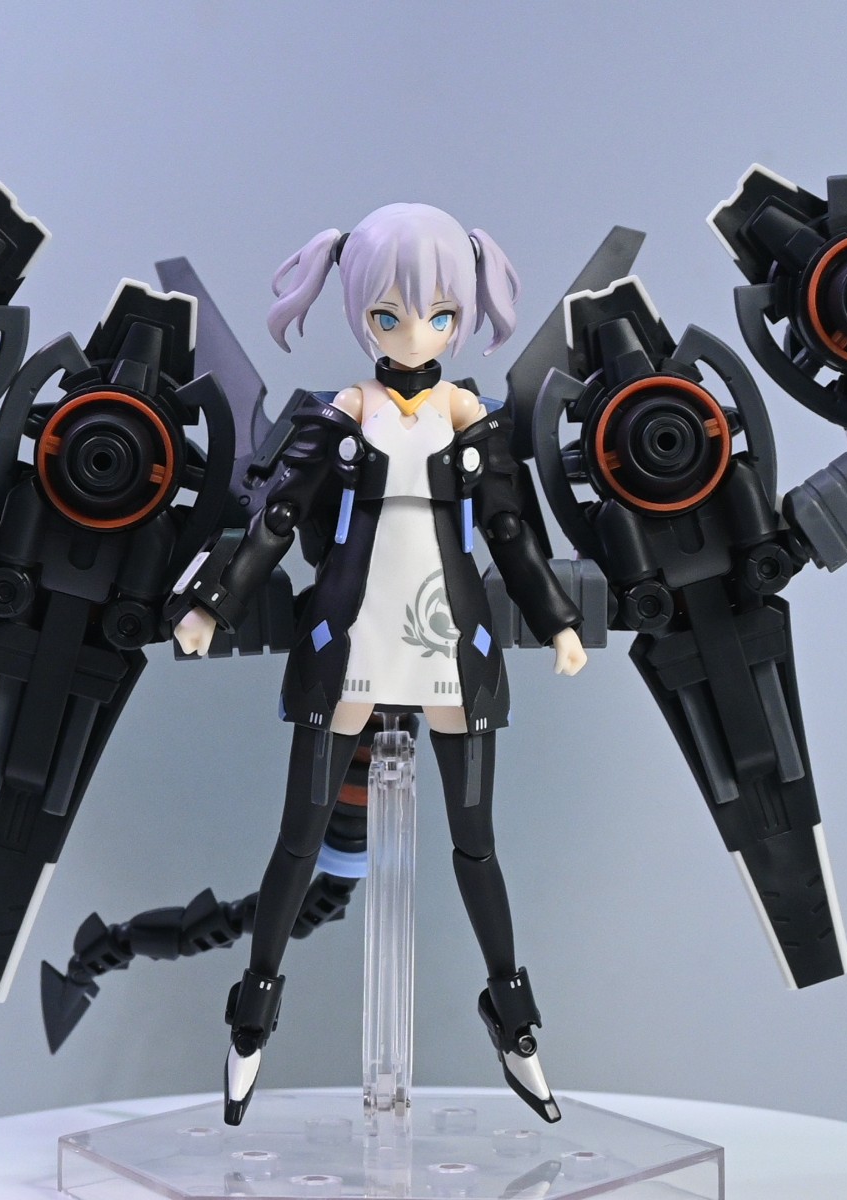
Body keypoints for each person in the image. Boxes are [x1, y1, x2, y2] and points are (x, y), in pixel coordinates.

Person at [171, 202, 587, 1124]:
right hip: (349, 639)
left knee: (475, 842)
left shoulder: (467, 413)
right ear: (358, 311)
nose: (414, 333)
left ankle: (513, 1021)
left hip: (451, 641)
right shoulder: (342, 414)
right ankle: (251, 1019)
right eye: (389, 314)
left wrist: (556, 620)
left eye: (439, 314)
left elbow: (510, 531)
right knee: (298, 835)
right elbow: (277, 517)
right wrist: (211, 604)